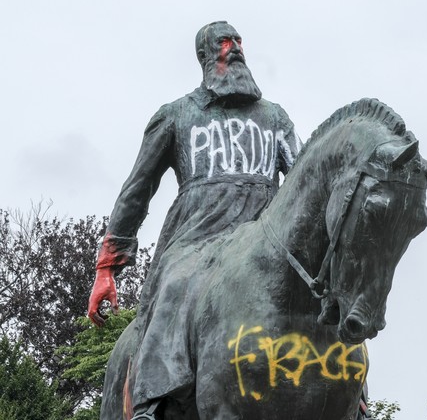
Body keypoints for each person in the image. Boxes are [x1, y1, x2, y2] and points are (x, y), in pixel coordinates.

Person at [88, 21, 302, 419]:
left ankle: (352, 393)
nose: (234, 48)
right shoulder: (176, 115)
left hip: (265, 237)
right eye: (224, 42)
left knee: (324, 289)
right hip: (198, 240)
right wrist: (107, 267)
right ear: (205, 55)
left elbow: (304, 179)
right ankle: (150, 402)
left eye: (238, 41)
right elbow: (138, 188)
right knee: (175, 285)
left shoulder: (275, 117)